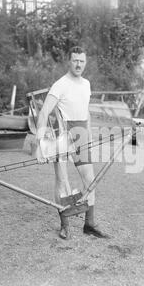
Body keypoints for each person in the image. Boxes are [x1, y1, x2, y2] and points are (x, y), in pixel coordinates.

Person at [35, 46, 109, 240]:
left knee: (90, 181)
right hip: (63, 136)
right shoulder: (60, 84)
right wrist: (41, 142)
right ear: (69, 61)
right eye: (75, 60)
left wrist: (90, 134)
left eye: (82, 61)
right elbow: (43, 113)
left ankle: (89, 224)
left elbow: (85, 112)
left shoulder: (86, 84)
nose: (78, 64)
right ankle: (65, 225)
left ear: (86, 62)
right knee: (62, 181)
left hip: (82, 134)